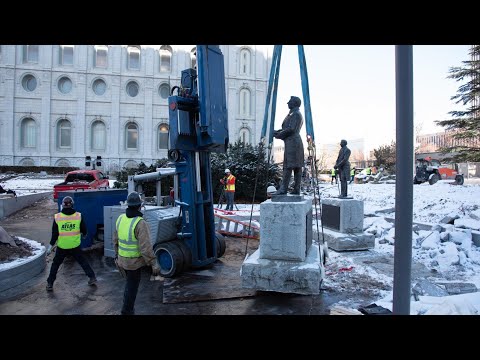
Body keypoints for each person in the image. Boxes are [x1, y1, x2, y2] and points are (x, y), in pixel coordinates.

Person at [113, 191, 160, 315]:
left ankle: (127, 309)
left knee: (129, 285)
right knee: (131, 288)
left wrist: (116, 255)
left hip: (122, 260)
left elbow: (115, 239)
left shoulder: (120, 218)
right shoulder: (140, 223)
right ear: (140, 206)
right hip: (134, 263)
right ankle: (127, 311)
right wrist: (153, 263)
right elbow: (146, 247)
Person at [46, 196, 96, 291]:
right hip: (75, 246)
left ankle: (50, 283)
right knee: (83, 262)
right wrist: (84, 235)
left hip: (62, 246)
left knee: (55, 264)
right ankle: (92, 277)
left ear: (63, 206)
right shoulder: (78, 216)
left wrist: (50, 247)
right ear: (72, 205)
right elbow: (84, 230)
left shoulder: (58, 217)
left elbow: (54, 234)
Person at [273, 96, 304, 195]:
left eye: (289, 101)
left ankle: (284, 189)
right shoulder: (292, 114)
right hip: (292, 142)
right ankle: (296, 189)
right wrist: (277, 132)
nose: (287, 103)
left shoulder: (296, 114)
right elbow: (287, 128)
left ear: (294, 103)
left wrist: (278, 135)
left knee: (289, 166)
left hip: (293, 143)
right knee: (295, 166)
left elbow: (291, 129)